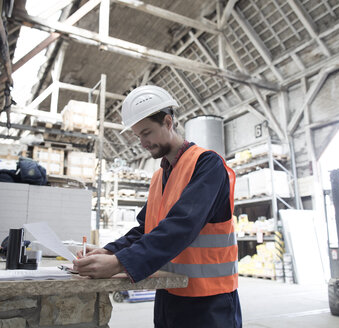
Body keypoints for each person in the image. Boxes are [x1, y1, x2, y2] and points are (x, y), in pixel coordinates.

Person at [73, 85, 242, 328]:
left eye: (146, 133)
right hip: (169, 293)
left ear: (168, 121)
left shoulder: (208, 165)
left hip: (209, 301)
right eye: (137, 135)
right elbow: (146, 229)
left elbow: (181, 226)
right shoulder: (159, 177)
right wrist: (110, 251)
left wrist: (120, 263)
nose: (142, 142)